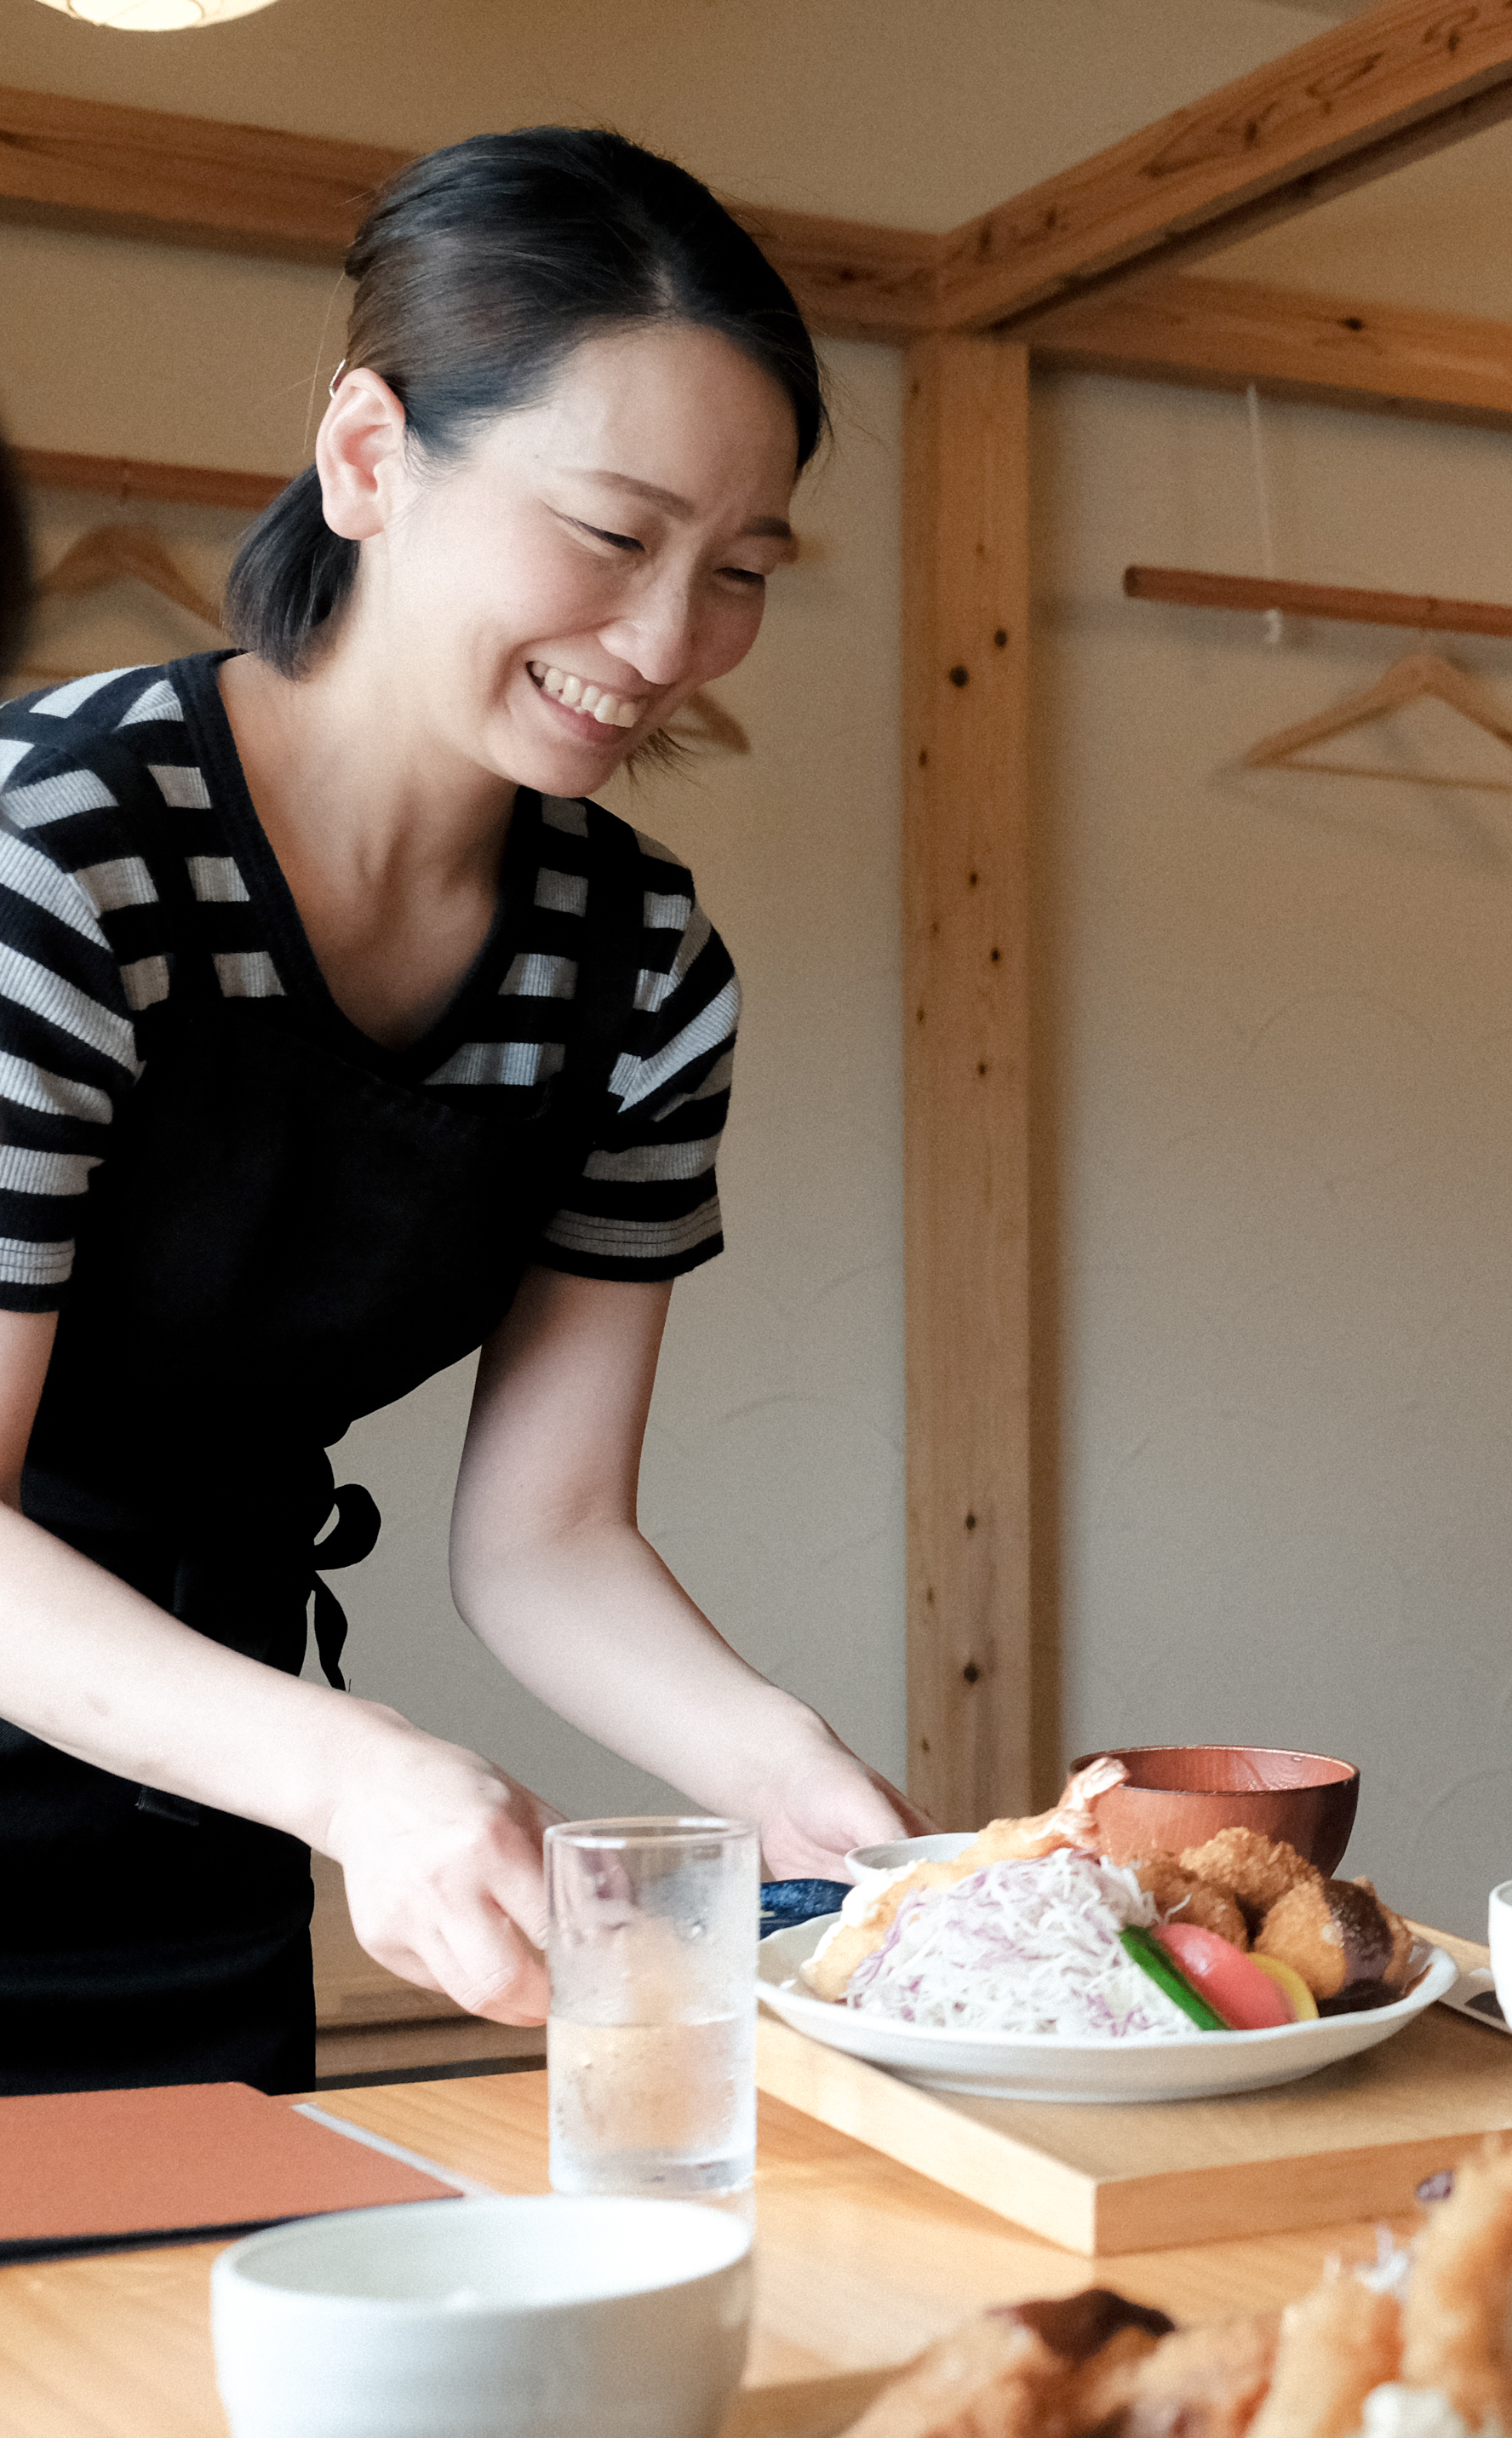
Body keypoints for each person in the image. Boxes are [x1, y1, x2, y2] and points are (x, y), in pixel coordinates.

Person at [0, 130, 919, 2095]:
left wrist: (785, 1774)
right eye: (611, 532)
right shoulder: (56, 862)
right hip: (244, 1749)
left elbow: (550, 1534)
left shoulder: (638, 968)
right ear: (369, 457)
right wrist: (362, 1773)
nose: (670, 643)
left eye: (740, 571)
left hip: (195, 1830)